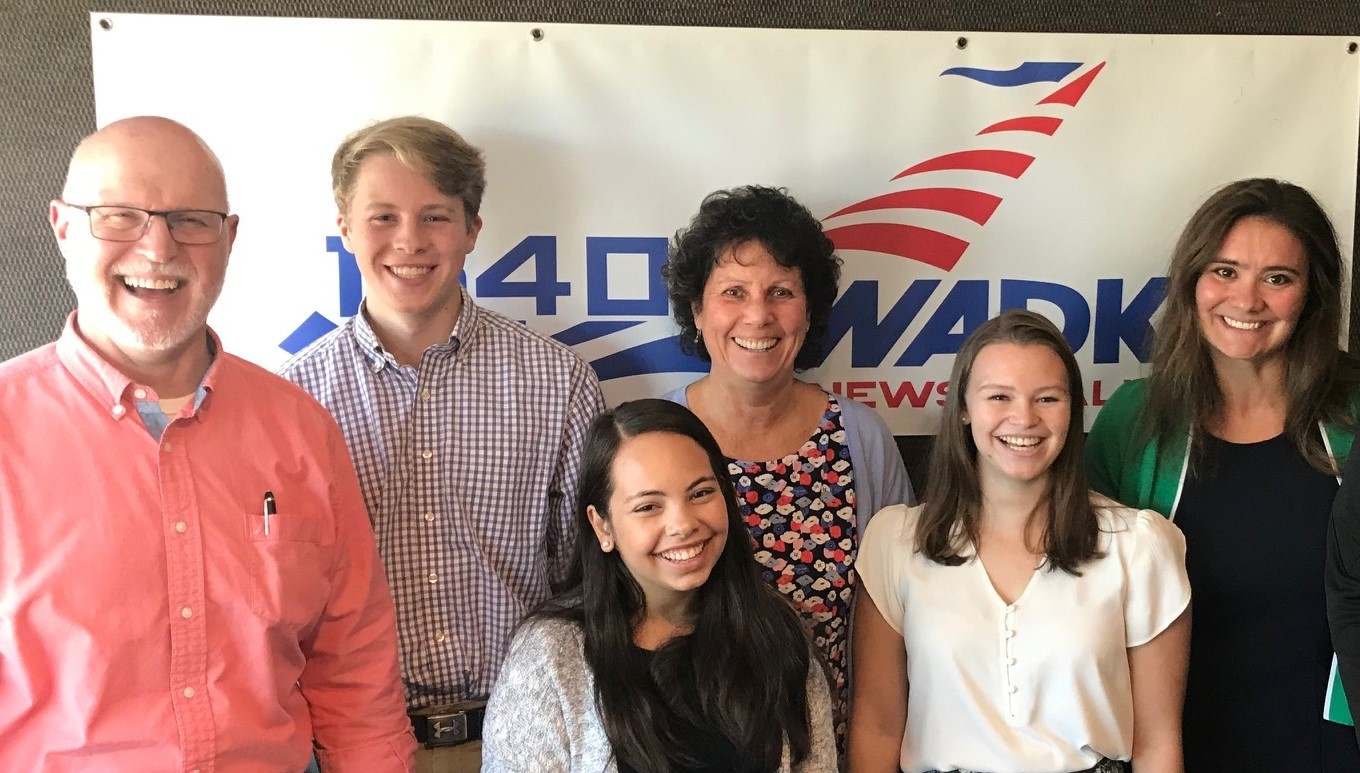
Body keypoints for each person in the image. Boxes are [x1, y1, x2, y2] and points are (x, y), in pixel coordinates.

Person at [0, 117, 414, 771]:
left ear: (229, 237)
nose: (158, 247)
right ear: (62, 226)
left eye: (190, 219)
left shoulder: (302, 430)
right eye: (119, 216)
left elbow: (355, 673)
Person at [280, 115, 605, 771]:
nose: (409, 240)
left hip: (531, 736)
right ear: (342, 225)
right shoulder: (293, 399)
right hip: (354, 745)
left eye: (434, 216)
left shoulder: (557, 380)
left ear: (471, 230)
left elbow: (590, 581)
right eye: (382, 217)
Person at [1087, 178, 1360, 771]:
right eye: (1226, 271)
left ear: (1312, 295)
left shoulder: (1354, 414)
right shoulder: (1134, 419)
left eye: (1278, 278)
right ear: (1191, 281)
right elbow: (1074, 587)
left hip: (1333, 745)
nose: (1247, 300)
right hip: (1169, 745)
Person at [850, 309, 1191, 773]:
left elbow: (1158, 743)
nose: (1024, 418)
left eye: (1047, 398)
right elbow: (877, 725)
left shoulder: (1139, 546)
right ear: (964, 408)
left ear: (1073, 410)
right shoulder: (896, 543)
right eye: (999, 396)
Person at [660, 185, 913, 742]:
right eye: (733, 291)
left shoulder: (861, 441)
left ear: (809, 310)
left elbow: (898, 629)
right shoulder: (654, 438)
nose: (758, 315)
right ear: (698, 310)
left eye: (781, 291)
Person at [482, 399, 837, 772]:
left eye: (700, 493)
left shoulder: (774, 631)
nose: (683, 524)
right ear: (602, 526)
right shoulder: (549, 657)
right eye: (648, 506)